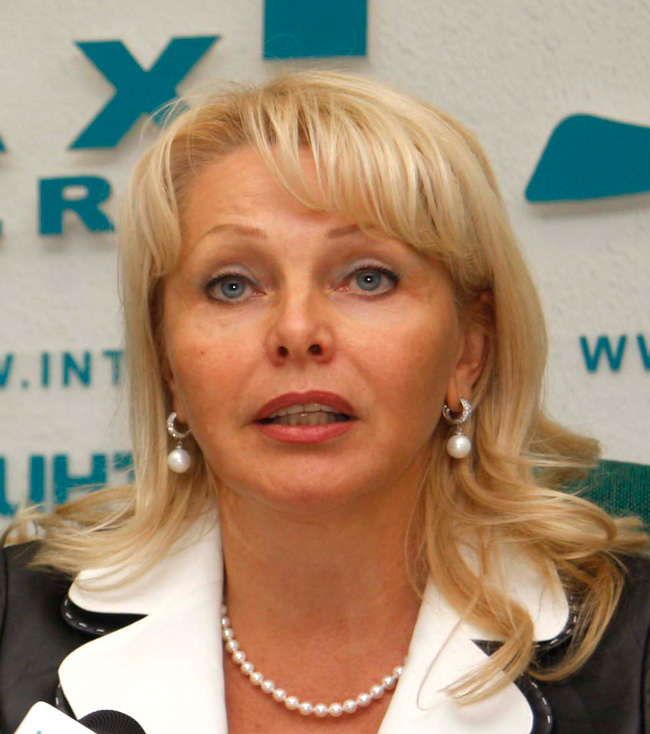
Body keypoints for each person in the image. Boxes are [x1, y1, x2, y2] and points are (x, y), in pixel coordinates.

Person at [1, 70, 649, 734]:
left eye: (367, 278)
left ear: (469, 352)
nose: (296, 331)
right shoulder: (11, 624)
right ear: (168, 365)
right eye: (231, 285)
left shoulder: (635, 649)